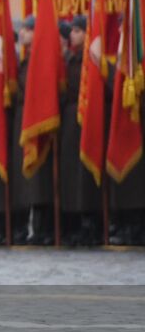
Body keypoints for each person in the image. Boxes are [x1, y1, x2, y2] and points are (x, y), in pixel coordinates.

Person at [11, 16, 55, 244]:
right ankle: (27, 227)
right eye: (22, 29)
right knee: (25, 179)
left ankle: (43, 228)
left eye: (28, 30)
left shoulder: (41, 59)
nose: (22, 33)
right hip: (23, 118)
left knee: (40, 179)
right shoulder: (24, 60)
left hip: (38, 121)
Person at [60, 14, 100, 245]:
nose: (72, 35)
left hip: (86, 119)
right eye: (72, 31)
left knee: (85, 173)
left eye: (77, 31)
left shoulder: (91, 59)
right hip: (69, 121)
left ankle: (90, 223)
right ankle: (73, 223)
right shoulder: (69, 59)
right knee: (70, 173)